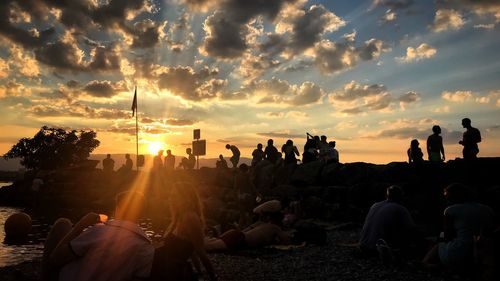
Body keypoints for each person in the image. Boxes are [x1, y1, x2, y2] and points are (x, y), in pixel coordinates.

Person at [43, 191, 154, 281]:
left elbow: (55, 259)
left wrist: (80, 225)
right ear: (141, 214)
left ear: (118, 209)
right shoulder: (146, 248)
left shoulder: (99, 232)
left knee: (63, 224)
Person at [423, 183, 495, 273]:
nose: (446, 199)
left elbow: (447, 235)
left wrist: (439, 237)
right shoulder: (488, 209)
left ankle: (425, 263)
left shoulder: (451, 210)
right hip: (480, 254)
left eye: (448, 196)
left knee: (438, 242)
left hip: (458, 253)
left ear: (454, 196)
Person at [155, 182, 217, 281]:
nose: (171, 198)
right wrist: (199, 272)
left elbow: (199, 250)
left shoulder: (190, 218)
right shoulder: (179, 217)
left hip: (170, 270)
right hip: (162, 265)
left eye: (174, 195)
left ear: (185, 197)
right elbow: (192, 252)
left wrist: (213, 277)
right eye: (171, 195)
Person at [359, 186, 418, 254]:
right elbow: (412, 229)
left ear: (386, 195)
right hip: (376, 249)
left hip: (363, 245)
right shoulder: (400, 209)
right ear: (401, 196)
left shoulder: (375, 205)